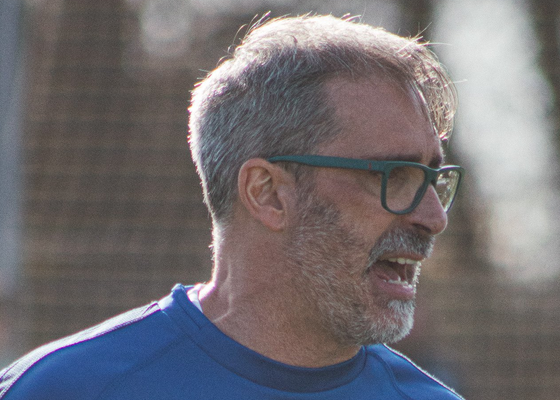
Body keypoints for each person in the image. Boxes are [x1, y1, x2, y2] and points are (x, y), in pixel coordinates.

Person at [0, 14, 465, 399]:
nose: (434, 218)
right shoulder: (64, 389)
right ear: (267, 193)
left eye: (434, 178)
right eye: (394, 177)